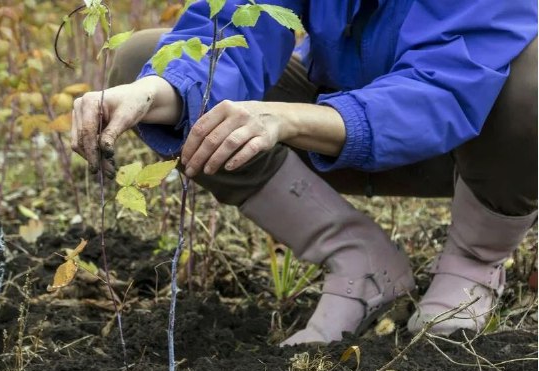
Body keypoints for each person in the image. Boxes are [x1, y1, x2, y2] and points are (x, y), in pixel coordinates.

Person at [71, 1, 538, 345]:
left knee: (532, 81)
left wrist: (289, 120)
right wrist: (155, 92)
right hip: (334, 128)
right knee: (144, 59)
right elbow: (241, 24)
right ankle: (357, 257)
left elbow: (441, 93)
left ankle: (473, 264)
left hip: (464, 144)